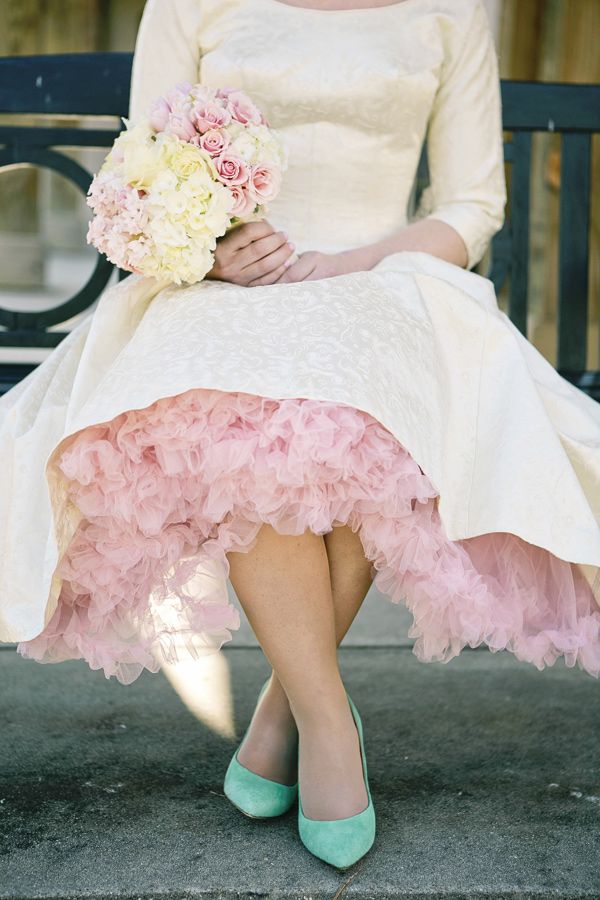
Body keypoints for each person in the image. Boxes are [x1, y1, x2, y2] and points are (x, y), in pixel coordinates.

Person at [1, 0, 599, 870]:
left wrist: (356, 264)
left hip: (384, 278)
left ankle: (288, 707)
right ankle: (329, 725)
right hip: (225, 289)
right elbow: (140, 180)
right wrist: (213, 249)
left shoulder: (452, 11)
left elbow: (473, 202)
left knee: (363, 415)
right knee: (252, 420)